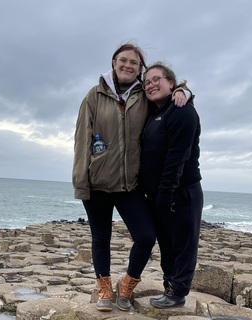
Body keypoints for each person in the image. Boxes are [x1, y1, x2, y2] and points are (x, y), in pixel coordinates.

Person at [72, 43, 190, 312]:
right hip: (98, 183)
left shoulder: (143, 96)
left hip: (131, 185)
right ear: (113, 63)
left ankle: (126, 286)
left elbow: (166, 99)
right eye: (122, 60)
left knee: (147, 237)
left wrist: (183, 90)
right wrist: (81, 184)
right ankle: (104, 290)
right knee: (100, 238)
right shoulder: (94, 95)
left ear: (140, 69)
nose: (127, 65)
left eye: (134, 63)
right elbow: (81, 141)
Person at [139, 62, 203, 309]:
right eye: (147, 82)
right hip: (158, 192)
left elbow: (177, 157)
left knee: (183, 244)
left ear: (171, 83)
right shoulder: (153, 113)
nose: (151, 85)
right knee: (166, 243)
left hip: (182, 190)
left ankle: (178, 292)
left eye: (156, 79)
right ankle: (170, 285)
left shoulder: (182, 111)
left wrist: (166, 194)